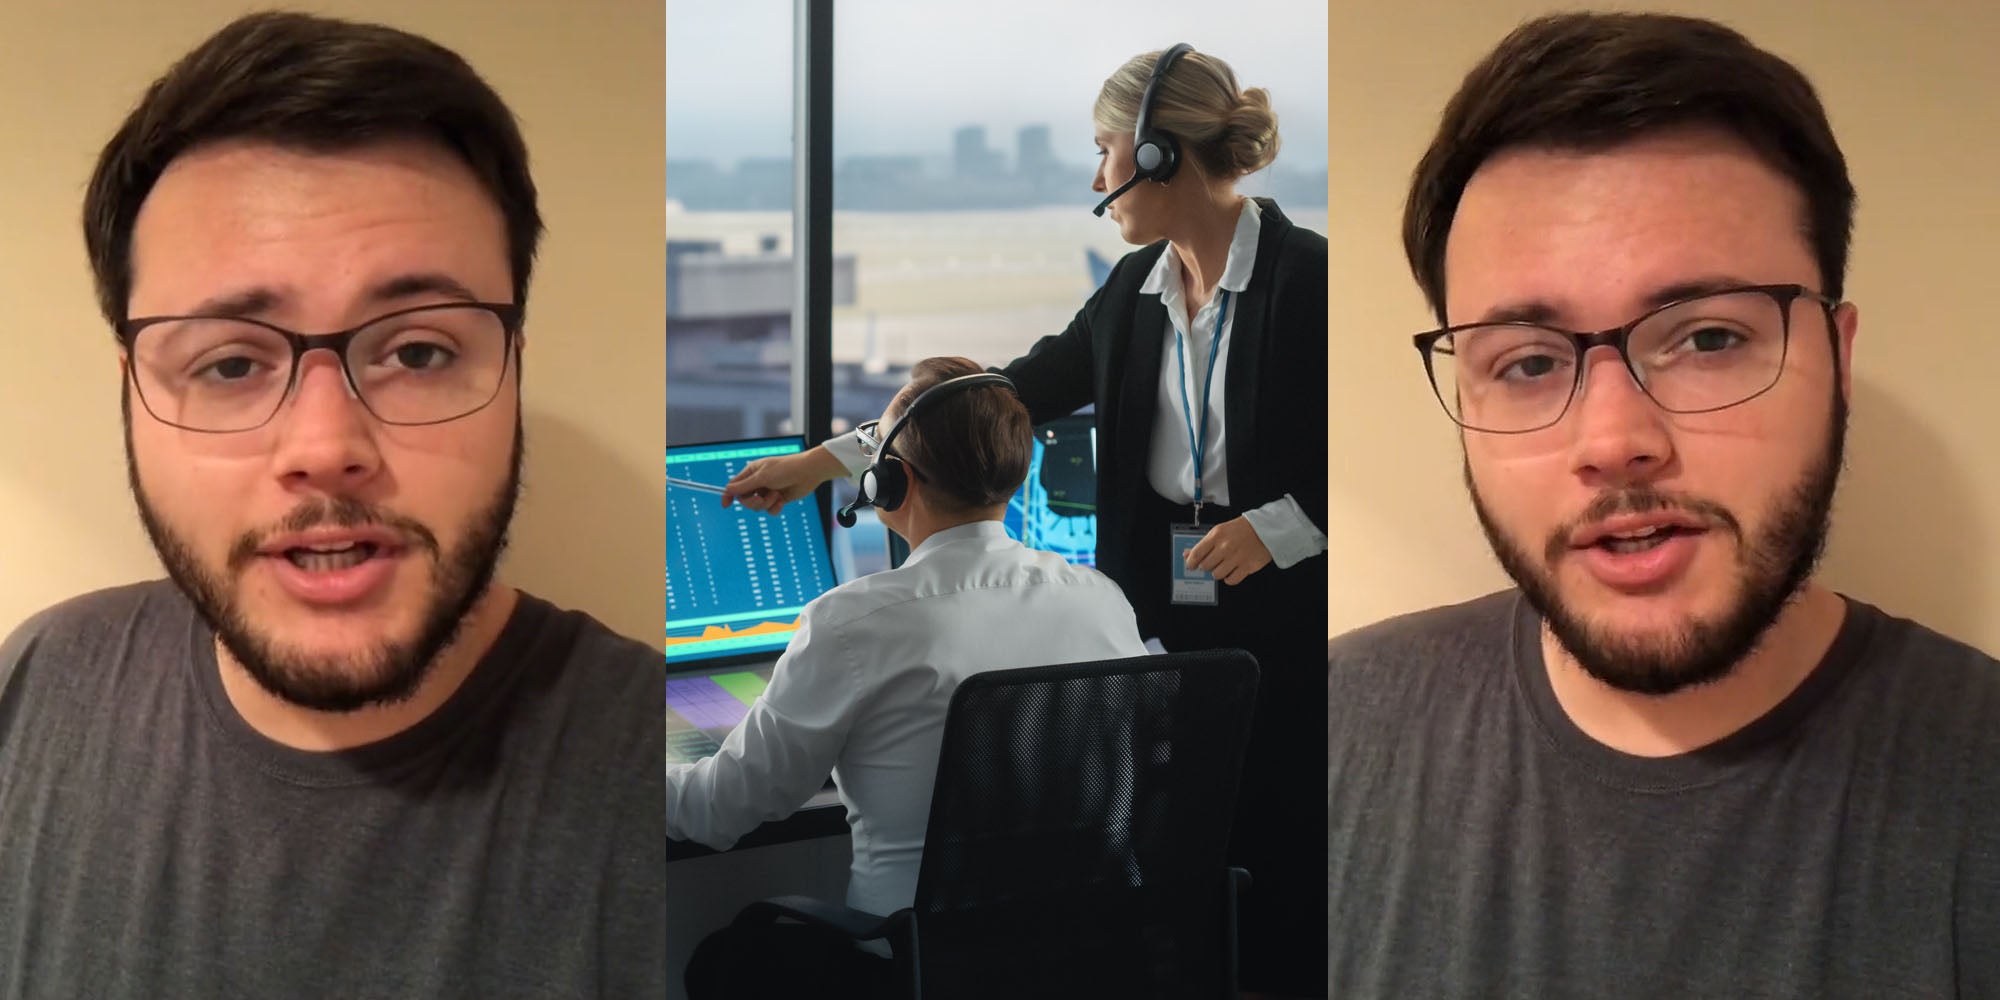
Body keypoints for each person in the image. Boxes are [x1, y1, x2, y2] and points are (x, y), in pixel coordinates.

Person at [1326, 12, 2000, 997]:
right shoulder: (1334, 728)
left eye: (1708, 339)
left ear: (1837, 358)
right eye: (1526, 362)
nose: (1612, 441)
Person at [0, 12, 664, 996]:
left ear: (513, 372)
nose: (325, 448)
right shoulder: (39, 684)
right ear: (131, 393)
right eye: (229, 363)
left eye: (419, 351)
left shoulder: (650, 778)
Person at [719, 46, 1329, 996]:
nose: (1095, 179)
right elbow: (992, 396)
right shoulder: (1135, 291)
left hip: (1277, 621)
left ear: (1159, 154)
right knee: (1168, 876)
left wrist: (1276, 527)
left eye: (1103, 151)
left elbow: (1376, 442)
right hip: (1155, 613)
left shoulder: (1309, 280)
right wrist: (825, 461)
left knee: (1269, 873)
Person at [670, 356, 1151, 997]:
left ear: (891, 483)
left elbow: (717, 810)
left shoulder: (852, 623)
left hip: (917, 967)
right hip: (1084, 958)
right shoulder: (1100, 599)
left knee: (722, 962)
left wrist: (612, 766)